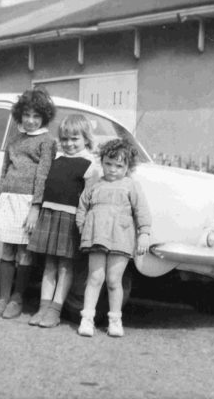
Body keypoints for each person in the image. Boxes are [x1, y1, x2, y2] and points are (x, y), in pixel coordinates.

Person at [0, 88, 57, 319]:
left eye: (36, 116)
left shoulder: (47, 141)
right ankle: (2, 298)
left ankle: (17, 299)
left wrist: (36, 208)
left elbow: (43, 176)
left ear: (44, 118)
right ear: (20, 115)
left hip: (28, 203)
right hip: (8, 199)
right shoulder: (14, 140)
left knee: (24, 253)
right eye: (26, 115)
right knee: (7, 250)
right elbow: (4, 171)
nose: (30, 120)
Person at [27, 114, 101, 328]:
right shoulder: (56, 160)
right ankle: (43, 307)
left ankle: (55, 310)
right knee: (49, 265)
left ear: (86, 138)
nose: (69, 144)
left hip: (70, 219)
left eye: (75, 139)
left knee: (65, 267)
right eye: (65, 139)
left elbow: (88, 200)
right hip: (50, 215)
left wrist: (83, 224)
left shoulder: (90, 165)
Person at [75, 139, 151, 337]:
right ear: (102, 162)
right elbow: (82, 207)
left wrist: (144, 233)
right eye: (108, 164)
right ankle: (87, 318)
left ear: (128, 167)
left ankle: (115, 320)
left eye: (119, 166)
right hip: (97, 238)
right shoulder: (94, 185)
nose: (113, 170)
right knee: (95, 278)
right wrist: (83, 228)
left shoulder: (131, 186)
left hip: (121, 238)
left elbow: (142, 211)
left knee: (113, 280)